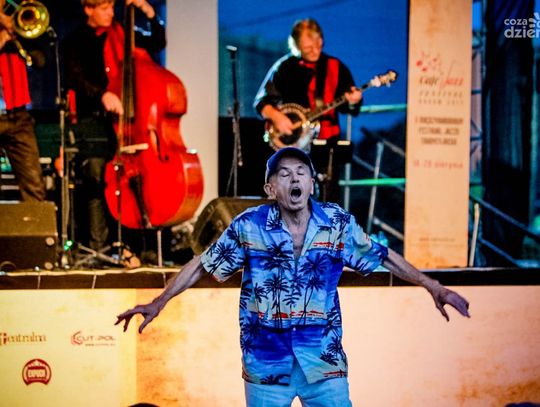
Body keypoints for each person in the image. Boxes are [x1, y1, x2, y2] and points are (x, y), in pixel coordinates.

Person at [116, 147, 471, 407]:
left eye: (301, 172)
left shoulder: (337, 224)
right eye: (284, 174)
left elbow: (382, 255)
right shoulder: (250, 225)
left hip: (323, 361)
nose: (295, 178)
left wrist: (433, 287)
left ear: (312, 184)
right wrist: (159, 302)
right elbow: (203, 263)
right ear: (271, 189)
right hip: (266, 364)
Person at [62, 0, 165, 258]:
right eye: (104, 8)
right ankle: (100, 248)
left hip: (127, 123)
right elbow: (74, 77)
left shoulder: (122, 34)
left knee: (133, 183)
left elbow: (157, 42)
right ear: (88, 9)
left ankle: (137, 246)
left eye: (111, 7)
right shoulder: (75, 40)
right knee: (98, 180)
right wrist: (102, 94)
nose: (110, 12)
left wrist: (149, 12)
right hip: (93, 121)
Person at [253, 18, 362, 203]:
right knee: (293, 197)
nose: (315, 51)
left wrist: (354, 101)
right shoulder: (284, 67)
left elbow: (350, 108)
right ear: (296, 46)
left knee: (328, 199)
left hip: (327, 143)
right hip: (293, 146)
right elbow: (261, 103)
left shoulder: (336, 67)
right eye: (308, 48)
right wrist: (277, 117)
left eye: (318, 45)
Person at [0, 0, 45, 202]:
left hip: (18, 114)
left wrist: (18, 32)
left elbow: (40, 61)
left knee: (34, 188)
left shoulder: (14, 19)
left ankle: (35, 223)